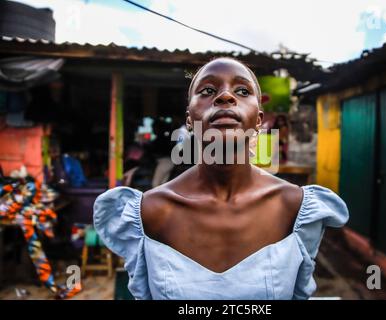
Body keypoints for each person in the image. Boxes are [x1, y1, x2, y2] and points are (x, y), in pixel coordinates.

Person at [93, 57, 349, 300]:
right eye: (207, 91)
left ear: (258, 121)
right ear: (190, 120)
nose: (225, 96)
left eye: (242, 91)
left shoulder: (295, 207)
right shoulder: (150, 212)